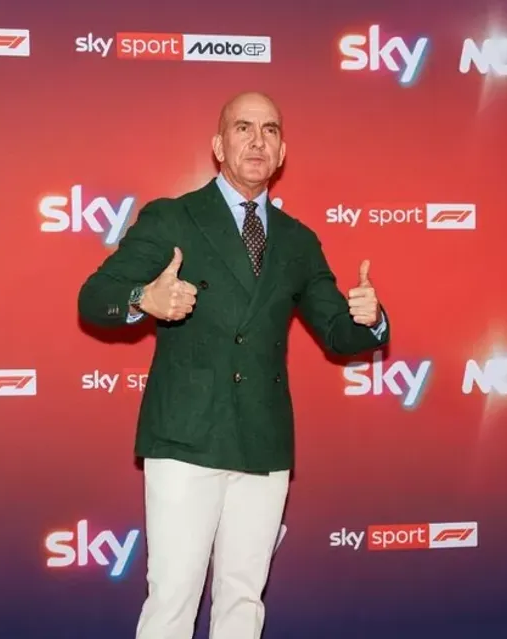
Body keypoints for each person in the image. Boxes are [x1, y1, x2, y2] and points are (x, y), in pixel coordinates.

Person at [77, 91, 390, 639]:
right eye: (243, 128)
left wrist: (371, 318)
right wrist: (143, 299)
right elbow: (93, 296)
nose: (257, 140)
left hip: (263, 439)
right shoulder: (173, 217)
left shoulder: (297, 240)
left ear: (283, 152)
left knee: (243, 600)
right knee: (173, 599)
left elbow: (338, 332)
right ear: (219, 146)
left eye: (270, 130)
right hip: (186, 437)